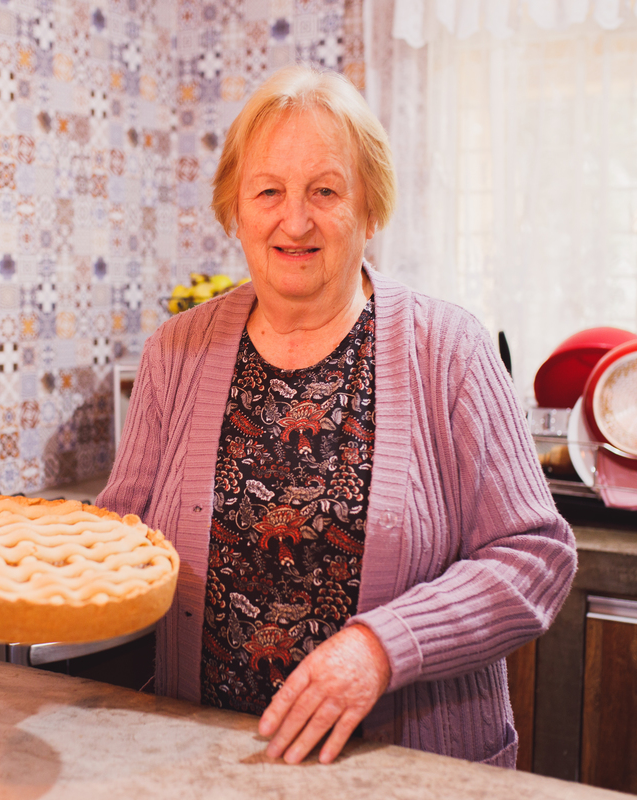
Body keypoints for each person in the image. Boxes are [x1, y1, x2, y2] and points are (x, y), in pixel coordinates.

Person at [96, 64, 577, 768]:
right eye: (268, 191)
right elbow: (119, 542)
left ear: (371, 210)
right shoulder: (177, 349)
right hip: (214, 763)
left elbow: (537, 558)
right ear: (234, 207)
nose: (295, 220)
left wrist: (382, 647)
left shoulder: (450, 350)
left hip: (406, 770)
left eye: (326, 190)